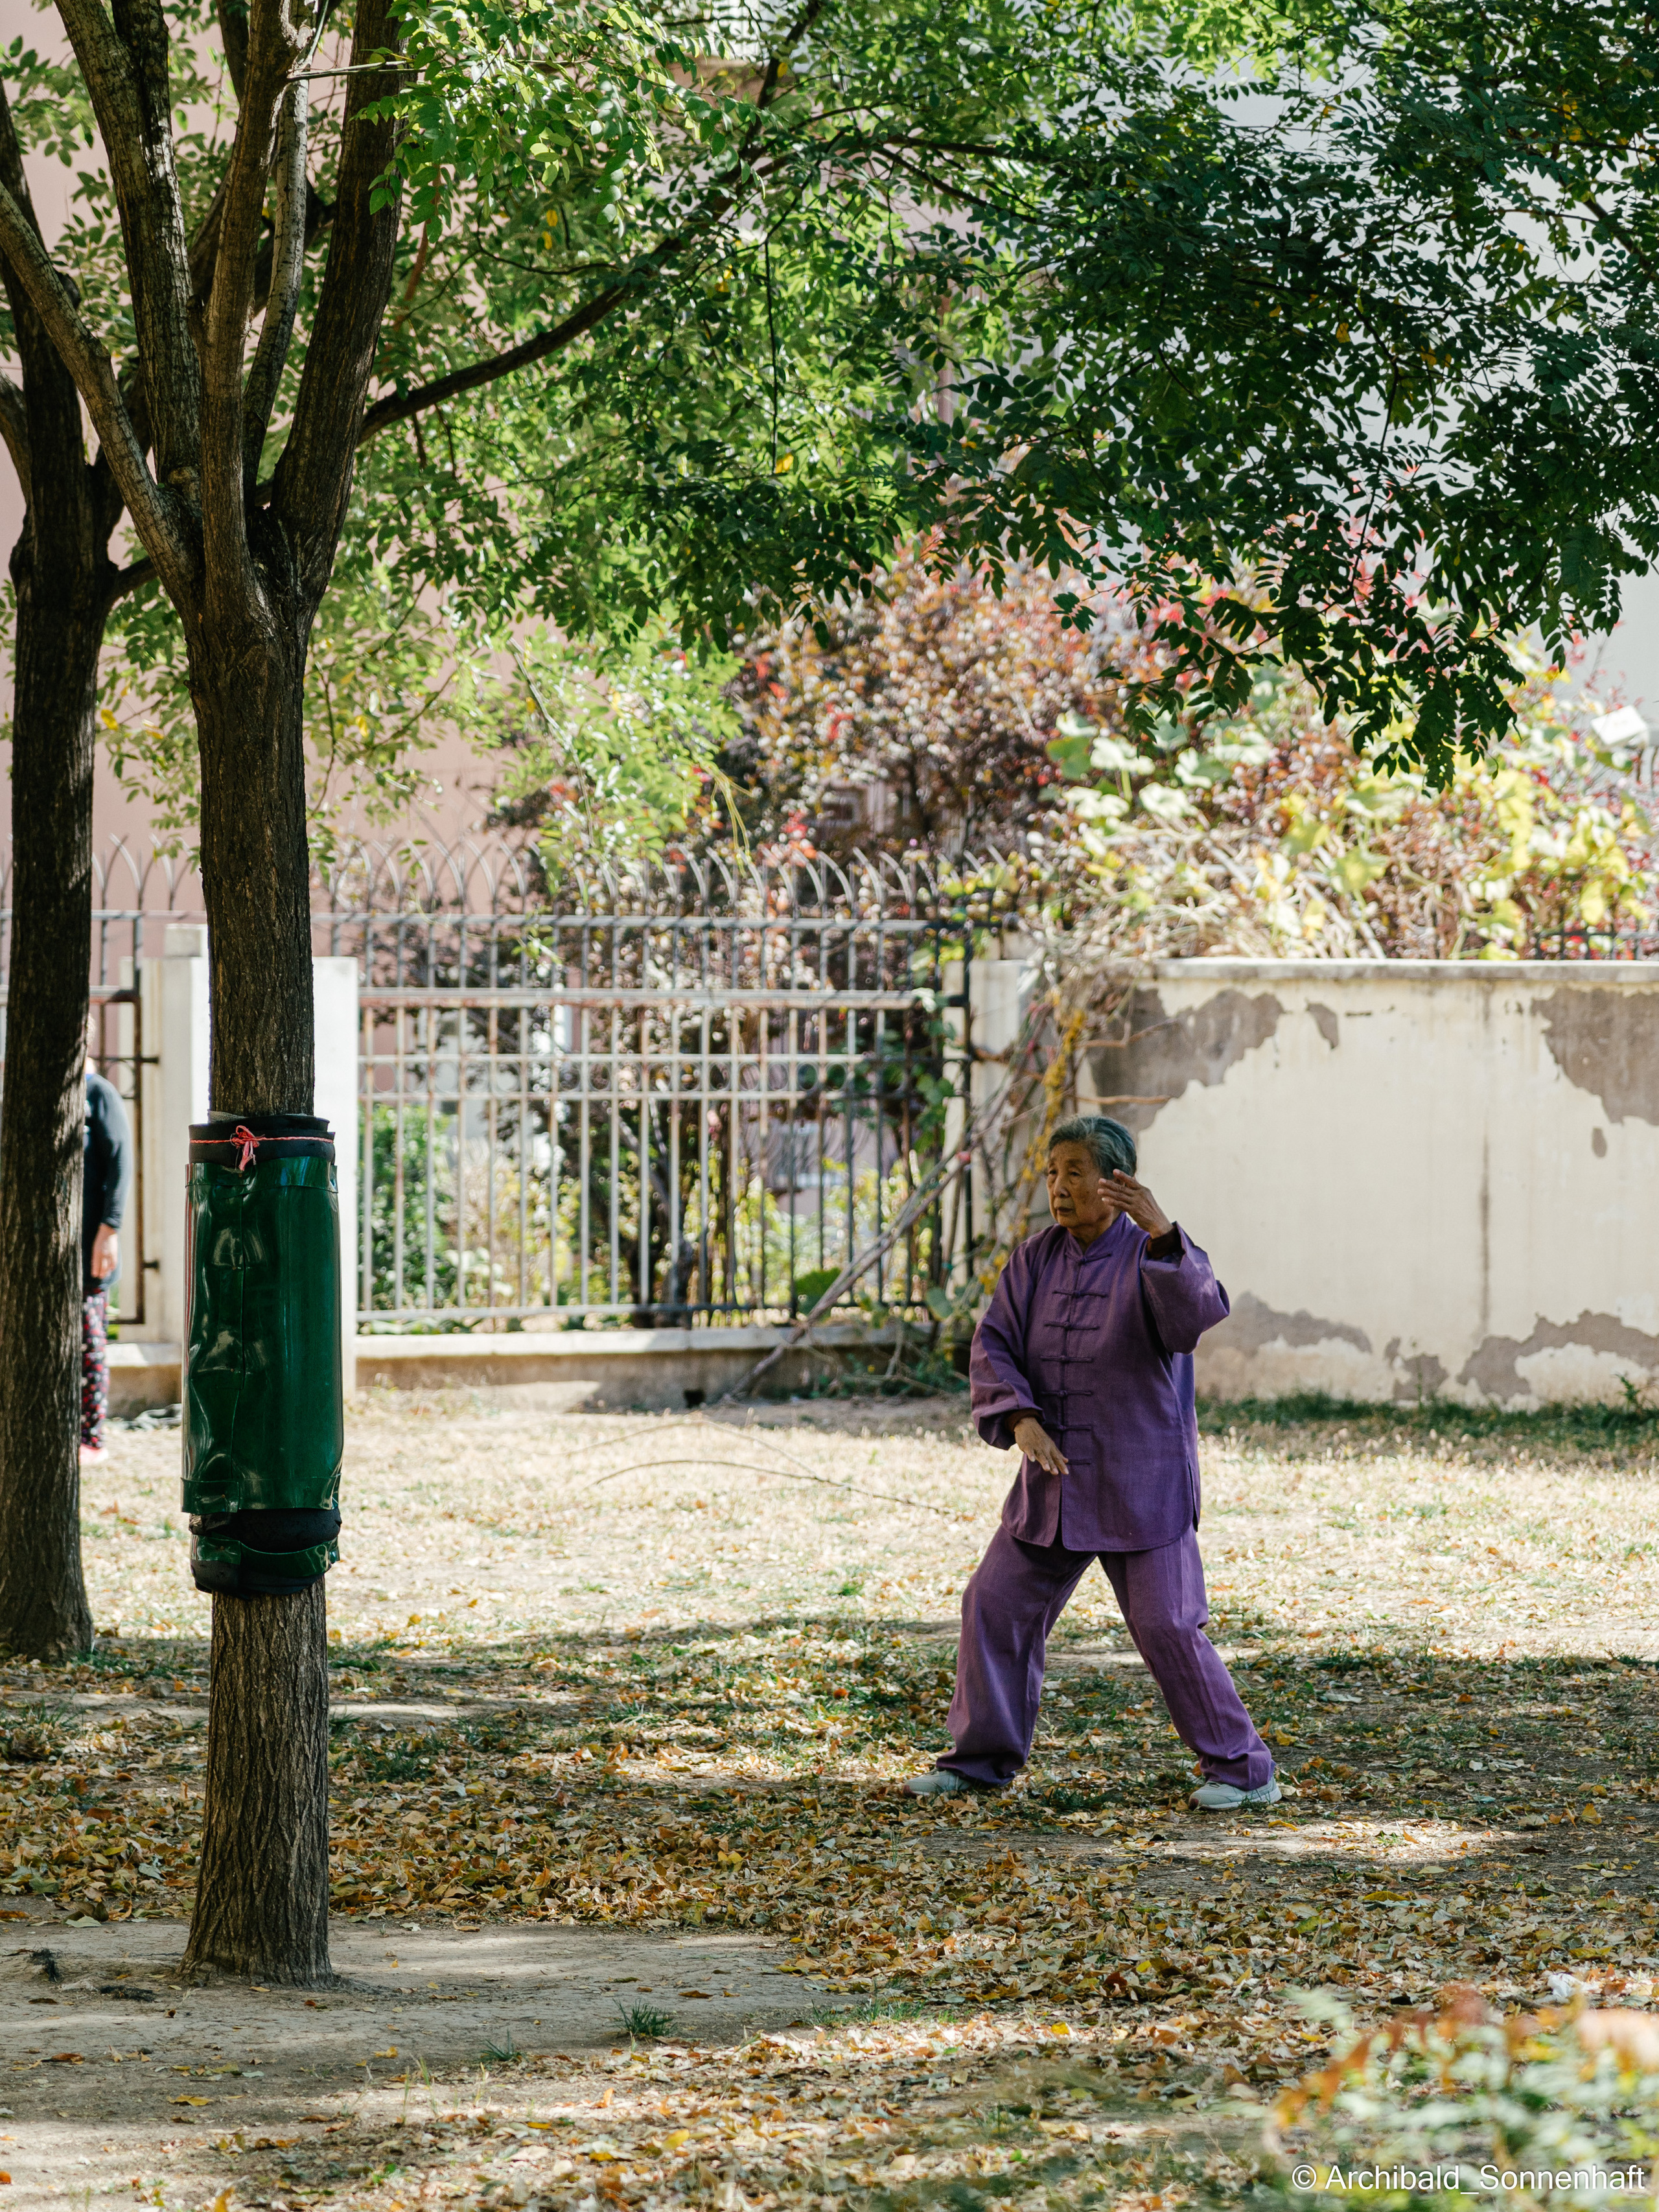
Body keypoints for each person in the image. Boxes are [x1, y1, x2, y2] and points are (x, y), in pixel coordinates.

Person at [903, 1115, 1276, 1812]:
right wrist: (1021, 1418)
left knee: (1168, 1623)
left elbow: (1193, 1318)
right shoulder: (1034, 1259)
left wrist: (1166, 1234)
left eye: (1075, 1171)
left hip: (1142, 1480)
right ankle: (978, 1761)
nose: (1059, 1186)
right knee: (993, 1603)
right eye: (1053, 1172)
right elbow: (994, 1344)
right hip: (1053, 1482)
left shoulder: (1152, 1253)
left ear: (1115, 1183)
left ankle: (1245, 1771)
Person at [82, 1040, 133, 1467]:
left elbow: (120, 1164)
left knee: (90, 1340)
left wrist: (109, 1230)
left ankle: (90, 1437)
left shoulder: (99, 1093)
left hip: (89, 1246)